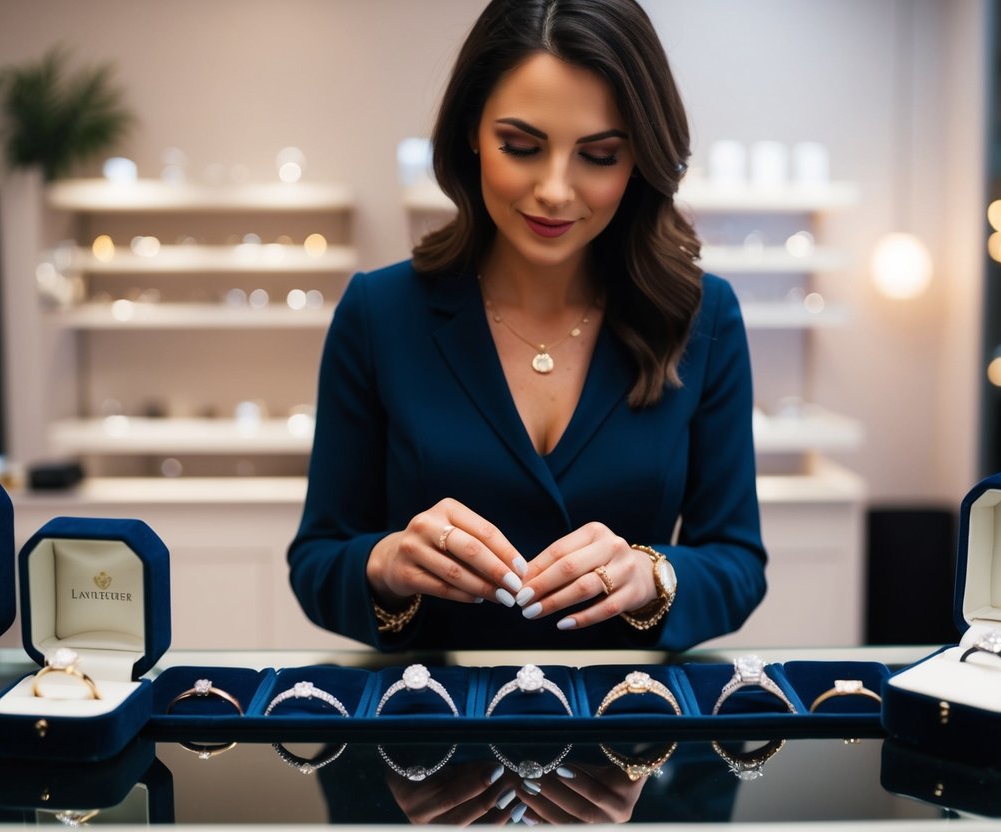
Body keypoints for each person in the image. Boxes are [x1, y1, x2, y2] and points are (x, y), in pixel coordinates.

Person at [288, 0, 766, 651]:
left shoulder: (703, 316)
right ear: (470, 134)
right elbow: (317, 560)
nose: (553, 190)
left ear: (638, 161)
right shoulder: (378, 312)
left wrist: (653, 574)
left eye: (597, 155)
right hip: (431, 734)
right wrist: (385, 565)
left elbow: (737, 564)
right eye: (520, 146)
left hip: (622, 731)